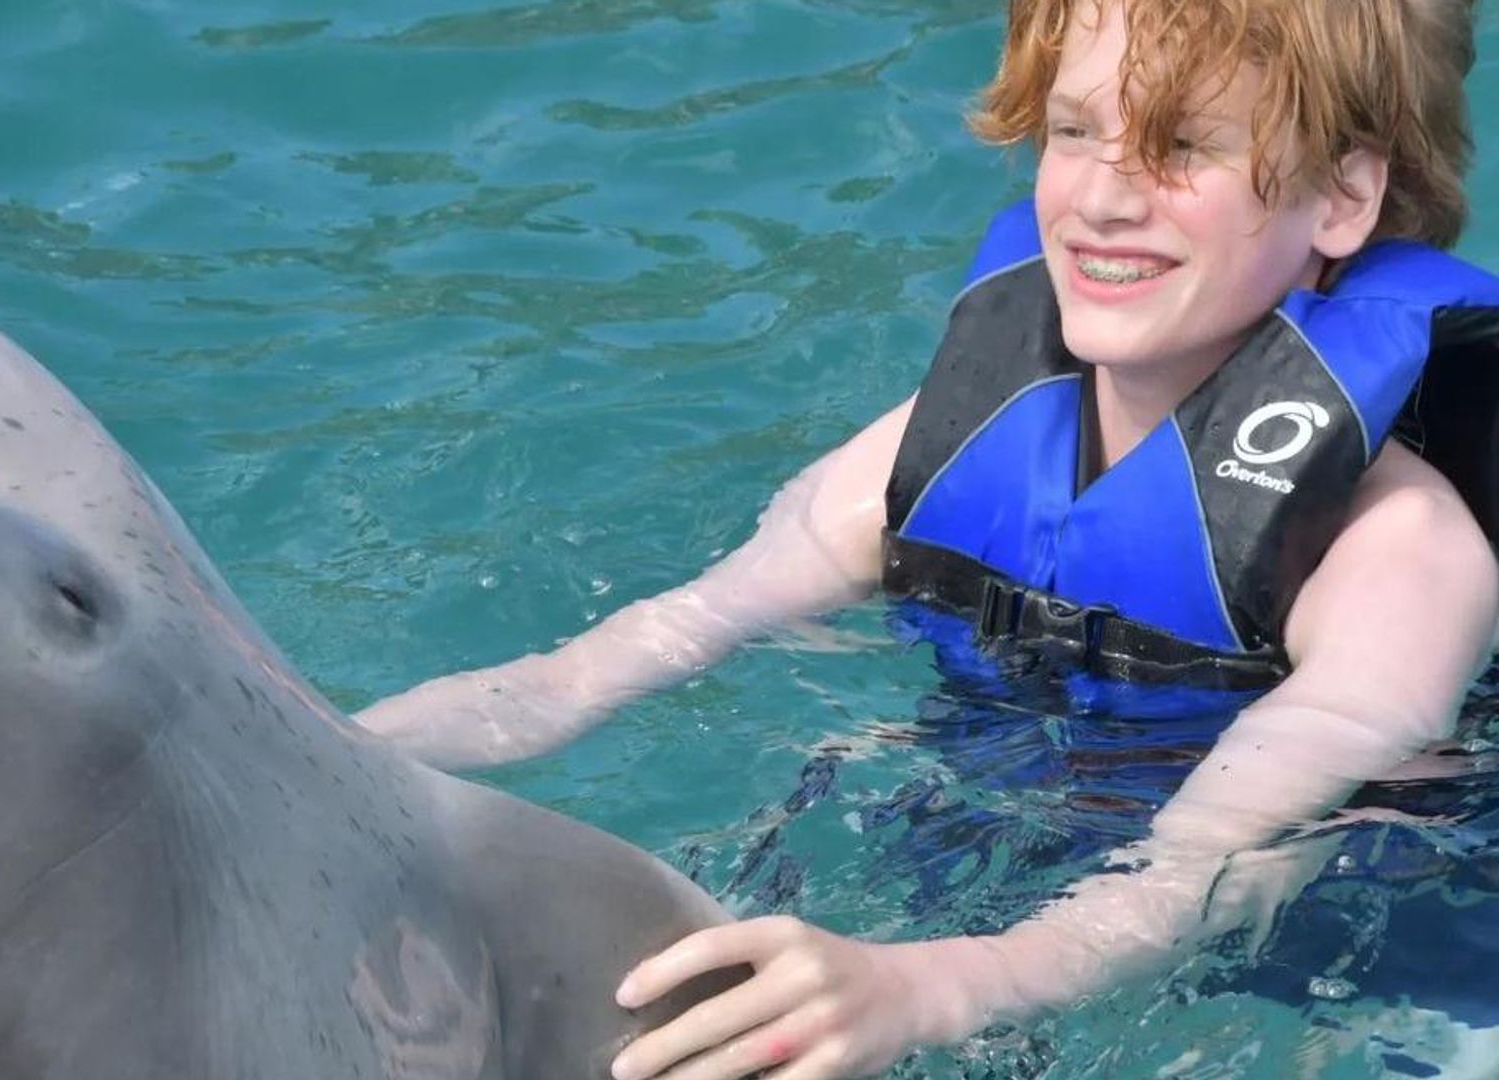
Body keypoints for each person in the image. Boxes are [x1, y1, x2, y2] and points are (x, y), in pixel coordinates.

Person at [357, 0, 1499, 1076]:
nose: (1103, 198)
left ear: (1344, 196)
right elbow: (598, 669)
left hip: (1341, 952)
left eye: (1181, 147)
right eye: (1072, 130)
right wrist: (339, 752)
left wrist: (929, 987)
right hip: (982, 843)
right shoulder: (953, 442)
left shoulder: (1400, 554)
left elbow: (1203, 869)